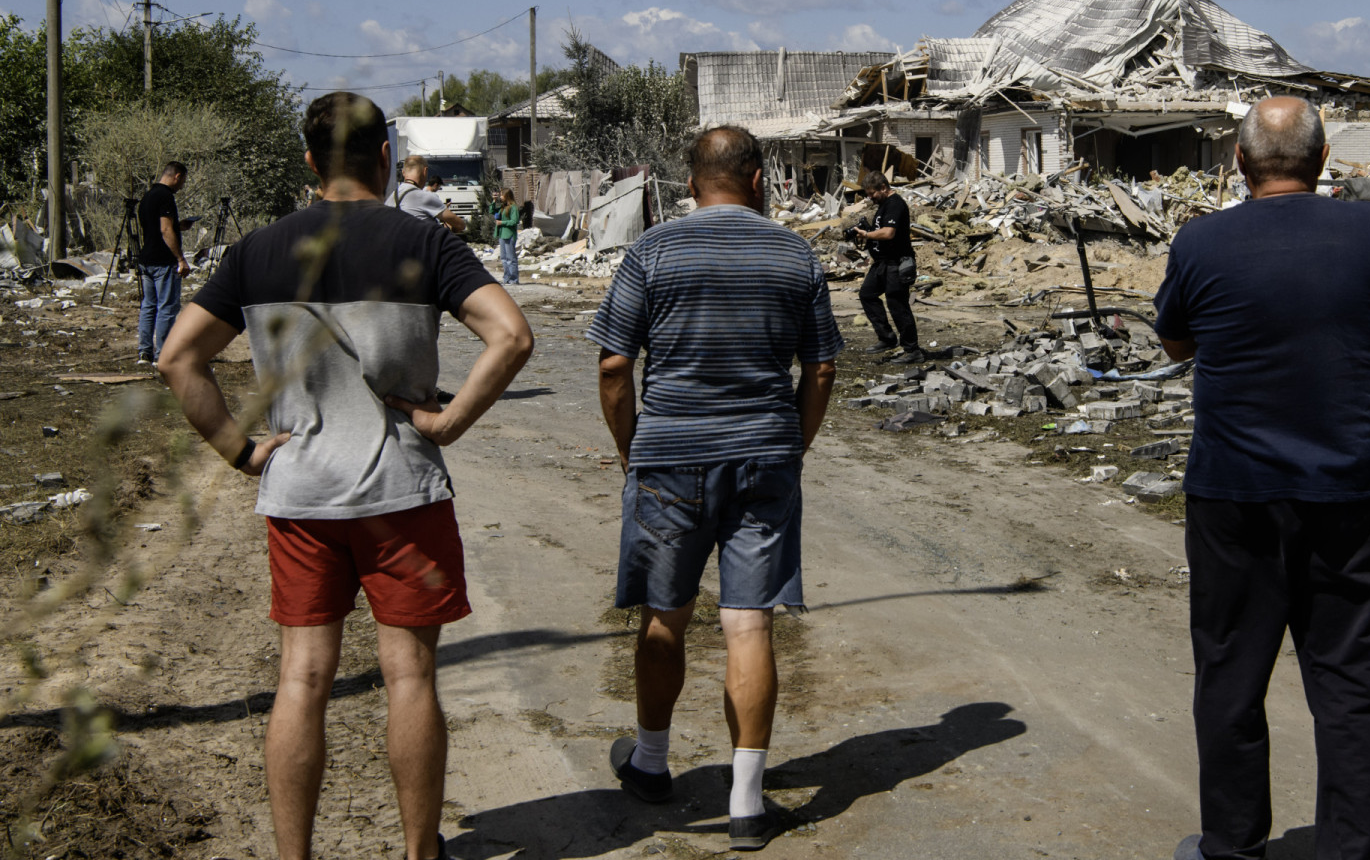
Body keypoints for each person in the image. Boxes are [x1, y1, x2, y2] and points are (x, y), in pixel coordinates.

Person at [156, 91, 534, 860]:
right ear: (386, 157)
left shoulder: (257, 251)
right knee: (410, 681)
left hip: (301, 497)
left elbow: (178, 359)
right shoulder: (424, 242)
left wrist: (243, 451)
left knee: (301, 680)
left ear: (308, 162)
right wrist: (448, 422)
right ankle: (419, 852)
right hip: (406, 495)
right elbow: (512, 336)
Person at [1153, 97, 1370, 860]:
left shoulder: (1201, 241)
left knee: (1232, 678)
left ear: (1238, 162)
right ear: (1324, 157)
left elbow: (1175, 344)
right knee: (1352, 685)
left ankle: (1233, 847)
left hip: (1235, 496)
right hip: (1350, 492)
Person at [589, 126, 841, 852]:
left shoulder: (653, 250)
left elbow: (613, 366)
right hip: (764, 456)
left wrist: (633, 450)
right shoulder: (794, 253)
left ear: (691, 180)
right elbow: (821, 368)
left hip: (670, 456)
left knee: (665, 617)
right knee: (747, 622)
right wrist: (793, 444)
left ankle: (651, 762)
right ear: (758, 178)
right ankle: (746, 802)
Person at [853, 170, 922, 363]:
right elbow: (880, 231)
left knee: (897, 304)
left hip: (897, 262)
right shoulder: (883, 205)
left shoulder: (895, 204)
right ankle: (887, 338)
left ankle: (912, 350)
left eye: (872, 193)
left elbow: (889, 232)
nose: (870, 198)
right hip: (882, 263)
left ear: (883, 187)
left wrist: (866, 235)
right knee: (867, 294)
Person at [136, 161, 190, 366]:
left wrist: (179, 226)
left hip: (146, 259)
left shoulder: (148, 196)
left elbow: (155, 226)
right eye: (183, 181)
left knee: (148, 306)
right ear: (177, 176)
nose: (182, 186)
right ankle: (163, 355)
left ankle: (145, 353)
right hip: (163, 261)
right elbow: (165, 230)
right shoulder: (166, 197)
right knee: (167, 307)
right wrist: (180, 259)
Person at [395, 155, 467, 234]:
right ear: (425, 171)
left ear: (403, 172)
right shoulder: (425, 197)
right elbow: (460, 224)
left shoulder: (391, 199)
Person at [493, 188, 521, 285]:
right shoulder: (503, 207)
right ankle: (506, 278)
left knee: (511, 258)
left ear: (507, 196)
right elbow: (492, 210)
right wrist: (494, 201)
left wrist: (502, 222)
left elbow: (514, 221)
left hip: (509, 234)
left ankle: (514, 279)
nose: (500, 197)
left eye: (502, 195)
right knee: (504, 258)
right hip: (502, 234)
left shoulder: (513, 207)